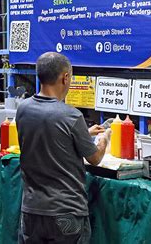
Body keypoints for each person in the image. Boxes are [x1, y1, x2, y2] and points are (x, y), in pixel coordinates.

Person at [16, 52, 107, 243]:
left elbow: (47, 132)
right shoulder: (70, 116)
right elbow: (95, 158)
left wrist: (84, 132)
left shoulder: (23, 109)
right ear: (65, 77)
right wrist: (104, 139)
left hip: (31, 210)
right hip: (66, 212)